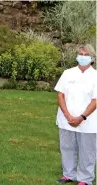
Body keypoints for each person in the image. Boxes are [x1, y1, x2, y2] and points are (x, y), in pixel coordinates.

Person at [54, 44, 97, 185]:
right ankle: (68, 174)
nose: (82, 57)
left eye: (86, 55)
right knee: (67, 147)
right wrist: (67, 115)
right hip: (66, 119)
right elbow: (60, 95)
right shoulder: (68, 73)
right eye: (80, 54)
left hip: (88, 121)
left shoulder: (95, 76)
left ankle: (85, 179)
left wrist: (81, 117)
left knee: (87, 151)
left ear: (92, 58)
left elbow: (95, 101)